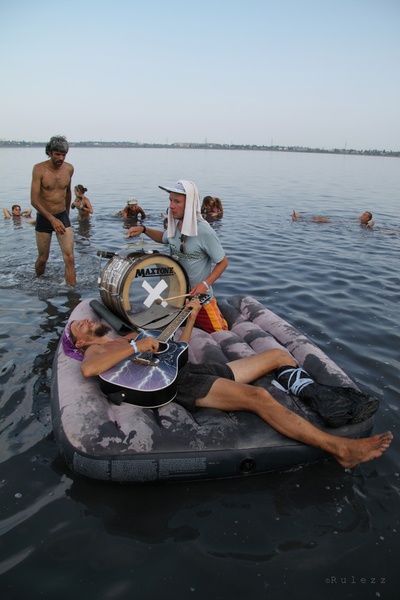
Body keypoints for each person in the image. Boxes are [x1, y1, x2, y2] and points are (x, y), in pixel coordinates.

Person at [62, 298, 392, 470]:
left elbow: (177, 349)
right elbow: (91, 371)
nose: (85, 321)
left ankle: (314, 394)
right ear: (78, 343)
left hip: (195, 369)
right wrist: (136, 346)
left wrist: (191, 313)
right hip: (183, 385)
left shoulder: (122, 337)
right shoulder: (96, 348)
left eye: (84, 319)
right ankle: (341, 449)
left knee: (277, 356)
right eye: (79, 326)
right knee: (259, 397)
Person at [126, 180, 229, 333]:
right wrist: (143, 229)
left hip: (200, 300)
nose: (171, 206)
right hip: (176, 297)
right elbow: (163, 238)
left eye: (177, 201)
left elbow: (223, 262)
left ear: (190, 204)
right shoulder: (174, 225)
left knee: (221, 333)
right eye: (170, 200)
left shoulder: (204, 231)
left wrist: (205, 284)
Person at [30, 135, 76, 285]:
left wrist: (66, 214)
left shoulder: (69, 169)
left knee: (69, 257)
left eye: (64, 155)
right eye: (57, 154)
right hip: (44, 217)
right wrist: (52, 219)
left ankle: (72, 295)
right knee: (43, 258)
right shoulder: (39, 169)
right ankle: (38, 282)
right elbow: (34, 200)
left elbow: (68, 192)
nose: (61, 158)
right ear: (49, 152)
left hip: (62, 215)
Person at [292, 210, 375, 226]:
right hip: (339, 222)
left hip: (337, 224)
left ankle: (298, 220)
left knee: (319, 219)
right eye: (362, 214)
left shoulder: (365, 224)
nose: (362, 215)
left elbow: (369, 226)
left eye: (364, 215)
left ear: (367, 219)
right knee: (317, 219)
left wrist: (370, 225)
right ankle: (300, 218)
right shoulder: (359, 220)